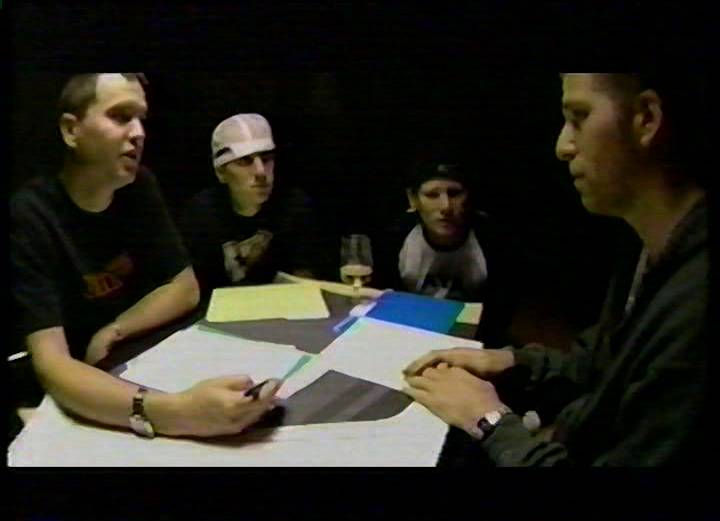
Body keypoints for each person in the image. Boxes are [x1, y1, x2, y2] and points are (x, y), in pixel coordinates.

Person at [402, 72, 709, 466]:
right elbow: (605, 364)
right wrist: (511, 362)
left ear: (647, 118)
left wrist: (489, 420)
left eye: (579, 117)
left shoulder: (696, 309)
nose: (563, 147)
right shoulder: (645, 244)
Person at [10, 73, 280, 439]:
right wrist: (176, 413)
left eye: (141, 119)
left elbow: (184, 288)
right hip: (73, 391)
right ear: (71, 130)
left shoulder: (139, 186)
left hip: (129, 362)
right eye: (121, 116)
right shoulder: (31, 213)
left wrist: (116, 328)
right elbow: (52, 362)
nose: (139, 133)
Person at [178, 113, 329, 299]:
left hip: (283, 309)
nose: (261, 172)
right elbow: (192, 291)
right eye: (245, 161)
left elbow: (306, 286)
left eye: (266, 159)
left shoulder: (294, 206)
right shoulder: (201, 214)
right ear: (221, 173)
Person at [371, 154, 515, 346]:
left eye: (454, 194)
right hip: (408, 332)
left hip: (473, 340)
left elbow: (500, 315)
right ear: (413, 199)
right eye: (432, 195)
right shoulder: (394, 237)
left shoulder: (494, 239)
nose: (446, 206)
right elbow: (382, 301)